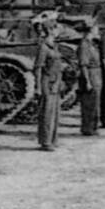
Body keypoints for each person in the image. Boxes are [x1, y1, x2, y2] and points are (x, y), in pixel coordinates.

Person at [33, 12, 63, 151]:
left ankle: (53, 139)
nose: (58, 30)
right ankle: (45, 141)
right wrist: (38, 87)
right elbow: (38, 68)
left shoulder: (53, 46)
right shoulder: (43, 47)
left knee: (55, 112)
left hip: (55, 81)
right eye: (55, 28)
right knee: (46, 112)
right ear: (50, 30)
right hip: (47, 82)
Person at [75, 21, 102, 136]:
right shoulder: (84, 45)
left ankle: (93, 127)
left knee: (95, 103)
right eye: (96, 29)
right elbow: (83, 65)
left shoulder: (92, 44)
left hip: (96, 73)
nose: (98, 31)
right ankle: (87, 128)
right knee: (88, 103)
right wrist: (87, 81)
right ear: (90, 30)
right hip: (90, 74)